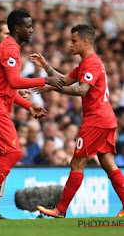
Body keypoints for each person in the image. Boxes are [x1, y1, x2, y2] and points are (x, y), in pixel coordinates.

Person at [0, 10, 65, 221]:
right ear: (17, 28)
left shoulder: (10, 47)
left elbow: (5, 88)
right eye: (28, 26)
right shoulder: (9, 47)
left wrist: (27, 106)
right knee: (14, 153)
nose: (32, 30)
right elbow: (14, 82)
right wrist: (45, 80)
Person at [30, 24, 124, 217]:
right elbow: (64, 80)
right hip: (105, 118)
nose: (70, 44)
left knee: (77, 164)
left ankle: (60, 210)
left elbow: (82, 90)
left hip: (96, 119)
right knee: (107, 163)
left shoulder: (92, 63)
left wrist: (54, 88)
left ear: (85, 41)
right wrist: (46, 67)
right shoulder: (86, 63)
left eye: (73, 41)